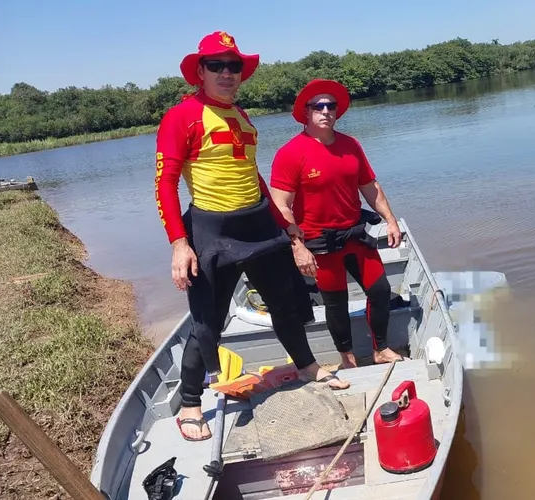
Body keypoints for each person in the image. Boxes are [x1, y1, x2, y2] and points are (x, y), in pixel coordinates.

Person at [155, 32, 349, 442]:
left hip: (258, 223)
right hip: (212, 229)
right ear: (200, 72)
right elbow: (165, 183)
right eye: (217, 66)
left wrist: (286, 224)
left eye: (234, 66)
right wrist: (179, 243)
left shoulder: (240, 114)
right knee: (207, 323)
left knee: (285, 302)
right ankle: (191, 403)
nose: (227, 73)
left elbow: (251, 174)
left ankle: (307, 366)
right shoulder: (182, 117)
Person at [269, 79, 405, 369]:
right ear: (305, 112)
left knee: (380, 290)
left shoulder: (350, 145)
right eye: (318, 106)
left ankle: (380, 349)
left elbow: (371, 187)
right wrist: (297, 247)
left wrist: (390, 220)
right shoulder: (291, 153)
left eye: (331, 105)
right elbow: (281, 205)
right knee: (336, 302)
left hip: (354, 232)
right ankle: (347, 358)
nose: (326, 111)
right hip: (319, 241)